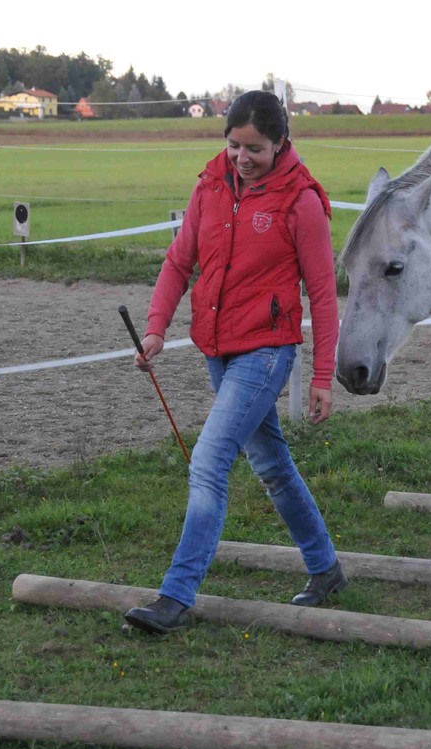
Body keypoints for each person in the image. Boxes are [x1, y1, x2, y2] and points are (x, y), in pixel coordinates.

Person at [124, 90, 346, 635]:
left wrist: (321, 376)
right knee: (270, 464)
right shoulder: (210, 187)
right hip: (218, 349)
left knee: (209, 460)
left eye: (255, 149)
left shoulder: (302, 203)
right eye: (234, 146)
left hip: (268, 352)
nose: (242, 158)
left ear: (281, 144)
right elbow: (179, 262)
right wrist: (156, 331)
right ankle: (326, 567)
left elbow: (322, 294)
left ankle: (176, 595)